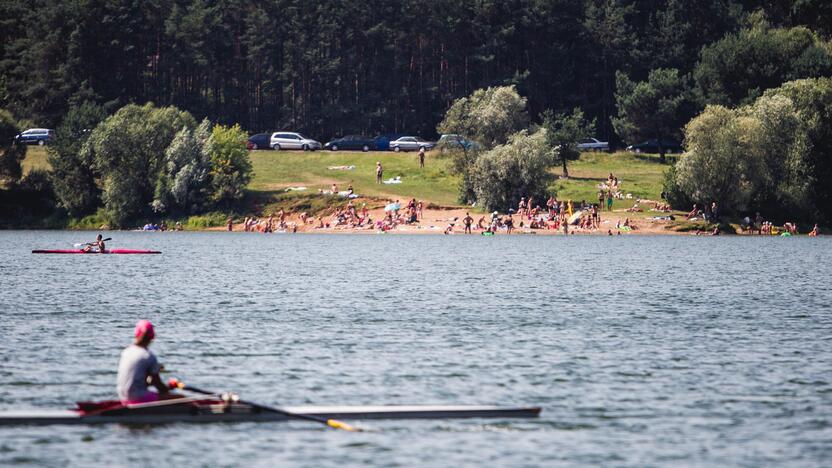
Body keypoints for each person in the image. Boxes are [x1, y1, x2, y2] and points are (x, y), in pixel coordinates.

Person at [117, 320, 180, 404]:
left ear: (136, 334)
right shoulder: (148, 356)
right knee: (181, 398)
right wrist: (170, 387)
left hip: (123, 397)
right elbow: (159, 386)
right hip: (139, 398)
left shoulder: (126, 352)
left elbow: (138, 382)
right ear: (152, 337)